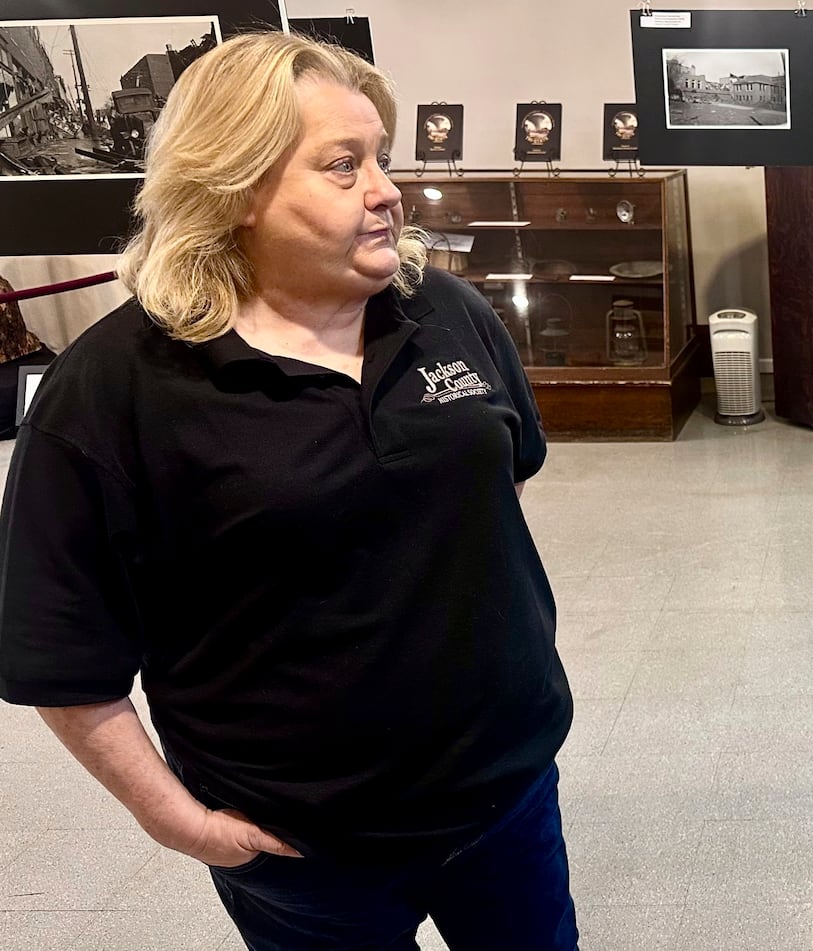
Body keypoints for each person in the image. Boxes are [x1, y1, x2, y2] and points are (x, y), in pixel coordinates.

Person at [0, 32, 577, 951]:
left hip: (506, 798)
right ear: (233, 191)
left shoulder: (451, 315)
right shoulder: (112, 389)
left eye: (380, 159)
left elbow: (496, 486)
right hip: (305, 847)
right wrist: (179, 823)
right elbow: (60, 655)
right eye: (343, 167)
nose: (389, 193)